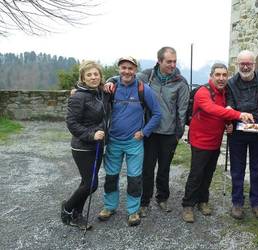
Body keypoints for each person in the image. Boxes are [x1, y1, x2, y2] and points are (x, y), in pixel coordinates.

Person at [105, 47, 189, 216]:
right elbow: (124, 77)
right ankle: (144, 202)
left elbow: (183, 110)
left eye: (175, 61)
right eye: (169, 62)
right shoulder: (147, 76)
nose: (173, 65)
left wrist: (178, 134)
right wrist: (110, 81)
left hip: (168, 132)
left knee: (164, 168)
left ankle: (162, 198)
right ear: (159, 61)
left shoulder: (181, 82)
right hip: (148, 131)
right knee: (147, 169)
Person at [181, 63, 254, 223]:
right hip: (200, 140)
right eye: (218, 75)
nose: (221, 78)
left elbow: (223, 112)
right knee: (196, 173)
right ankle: (188, 205)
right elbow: (211, 109)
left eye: (224, 75)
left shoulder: (224, 93)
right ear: (211, 76)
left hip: (215, 140)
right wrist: (238, 115)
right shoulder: (203, 92)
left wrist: (228, 121)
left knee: (208, 173)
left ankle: (203, 201)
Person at [97, 56, 161, 227]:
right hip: (113, 141)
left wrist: (144, 132)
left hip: (134, 142)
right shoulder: (111, 87)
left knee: (134, 178)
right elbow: (89, 90)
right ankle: (109, 207)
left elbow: (157, 114)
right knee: (111, 177)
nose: (126, 71)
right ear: (119, 69)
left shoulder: (143, 89)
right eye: (123, 67)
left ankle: (133, 211)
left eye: (130, 68)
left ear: (135, 70)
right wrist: (75, 91)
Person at [61, 60, 108, 230]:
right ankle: (67, 208)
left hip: (97, 145)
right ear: (83, 78)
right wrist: (91, 135)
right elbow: (71, 123)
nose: (93, 77)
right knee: (91, 184)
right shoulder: (78, 96)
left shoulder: (101, 93)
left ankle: (77, 214)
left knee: (87, 183)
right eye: (89, 75)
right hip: (82, 146)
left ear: (100, 76)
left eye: (96, 74)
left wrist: (110, 84)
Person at [226, 50, 258, 220]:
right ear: (237, 64)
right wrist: (230, 121)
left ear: (254, 65)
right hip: (238, 132)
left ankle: (257, 202)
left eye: (248, 64)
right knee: (237, 169)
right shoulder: (230, 83)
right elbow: (228, 105)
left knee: (257, 169)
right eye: (242, 64)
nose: (245, 67)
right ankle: (237, 202)